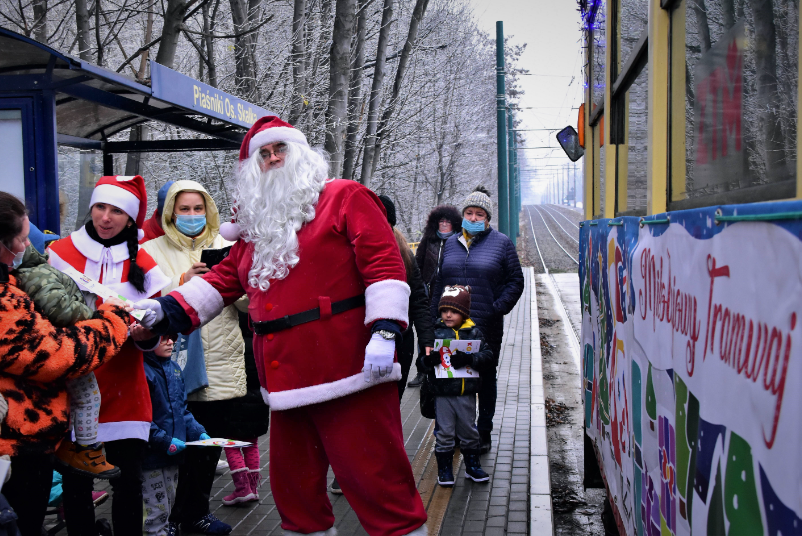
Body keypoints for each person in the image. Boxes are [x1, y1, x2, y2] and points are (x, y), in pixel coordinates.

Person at [135, 115, 428, 536]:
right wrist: (164, 312)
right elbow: (221, 283)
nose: (273, 159)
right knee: (295, 494)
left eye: (280, 150)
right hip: (286, 382)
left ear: (300, 153)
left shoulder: (345, 197)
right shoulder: (257, 229)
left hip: (349, 372)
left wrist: (386, 330)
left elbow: (384, 265)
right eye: (263, 155)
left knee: (379, 484)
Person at [0, 192, 131, 536]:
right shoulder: (3, 300)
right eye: (22, 238)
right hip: (16, 445)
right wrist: (112, 320)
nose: (28, 245)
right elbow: (55, 356)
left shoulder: (12, 281)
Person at [48, 175, 171, 536]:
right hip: (70, 388)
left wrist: (146, 336)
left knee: (127, 481)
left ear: (131, 218)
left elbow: (156, 334)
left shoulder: (146, 264)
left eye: (116, 210)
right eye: (100, 207)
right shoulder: (60, 253)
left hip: (125, 390)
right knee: (76, 484)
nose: (106, 217)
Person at [141, 180, 244, 534]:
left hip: (220, 363)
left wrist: (231, 280)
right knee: (171, 448)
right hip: (169, 366)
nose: (191, 215)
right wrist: (181, 283)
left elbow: (249, 304)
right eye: (183, 209)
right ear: (170, 212)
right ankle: (165, 517)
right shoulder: (150, 249)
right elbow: (145, 301)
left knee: (208, 446)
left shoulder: (228, 245)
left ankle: (196, 512)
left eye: (198, 209)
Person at [14, 225, 120, 480]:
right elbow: (60, 308)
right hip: (66, 347)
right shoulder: (37, 274)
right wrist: (93, 315)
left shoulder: (31, 273)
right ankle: (85, 447)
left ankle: (74, 445)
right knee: (88, 397)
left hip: (54, 348)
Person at [430, 186, 524, 454]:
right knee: (454, 374)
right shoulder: (450, 244)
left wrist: (498, 308)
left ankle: (483, 430)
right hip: (451, 326)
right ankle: (460, 431)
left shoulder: (501, 243)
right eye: (469, 213)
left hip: (486, 324)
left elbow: (515, 281)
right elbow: (439, 283)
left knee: (485, 377)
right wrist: (433, 317)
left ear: (488, 217)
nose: (473, 217)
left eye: (478, 213)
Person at [419, 285, 492, 486]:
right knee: (445, 432)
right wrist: (430, 360)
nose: (448, 315)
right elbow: (421, 363)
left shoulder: (474, 332)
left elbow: (487, 356)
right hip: (442, 395)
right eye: (444, 310)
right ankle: (444, 469)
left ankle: (472, 466)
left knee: (469, 430)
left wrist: (470, 359)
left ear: (464, 312)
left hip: (466, 393)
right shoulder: (435, 333)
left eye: (453, 311)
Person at [142, 335, 209, 536]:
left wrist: (198, 431)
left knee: (168, 503)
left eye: (172, 337)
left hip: (173, 455)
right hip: (151, 457)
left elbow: (182, 410)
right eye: (163, 338)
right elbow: (143, 420)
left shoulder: (175, 369)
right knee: (155, 508)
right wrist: (164, 441)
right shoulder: (143, 373)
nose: (171, 342)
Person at [376, 195, 434, 400]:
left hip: (402, 340)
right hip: (370, 342)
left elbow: (419, 299)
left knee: (393, 400)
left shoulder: (404, 254)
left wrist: (427, 342)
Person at [219, 312, 270, 506]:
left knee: (230, 443)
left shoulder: (233, 343)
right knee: (251, 443)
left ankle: (242, 488)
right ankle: (253, 488)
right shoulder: (260, 339)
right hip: (258, 399)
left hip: (236, 397)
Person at [408, 205, 461, 388]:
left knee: (447, 331)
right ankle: (423, 370)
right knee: (425, 332)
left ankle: (444, 366)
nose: (444, 224)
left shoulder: (458, 242)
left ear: (453, 223)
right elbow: (417, 264)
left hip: (449, 295)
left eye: (447, 221)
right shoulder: (428, 240)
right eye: (441, 221)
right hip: (428, 294)